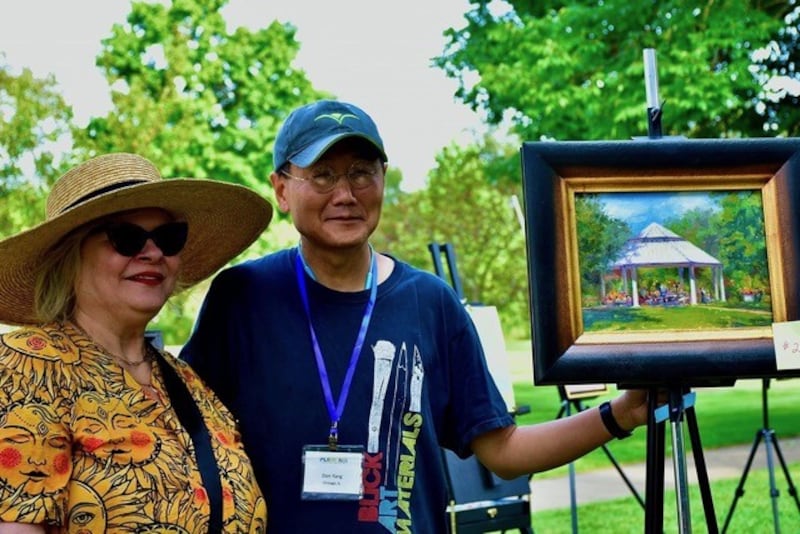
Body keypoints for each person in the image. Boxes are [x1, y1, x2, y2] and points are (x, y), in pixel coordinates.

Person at [181, 100, 655, 533]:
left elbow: (504, 451)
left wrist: (619, 415)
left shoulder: (430, 303)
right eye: (322, 175)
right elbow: (180, 438)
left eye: (362, 173)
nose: (345, 193)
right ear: (282, 189)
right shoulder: (243, 297)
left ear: (384, 179)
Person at [0, 153, 272, 533]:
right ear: (70, 257)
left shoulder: (189, 382)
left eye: (168, 238)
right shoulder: (27, 367)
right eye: (126, 238)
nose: (153, 252)